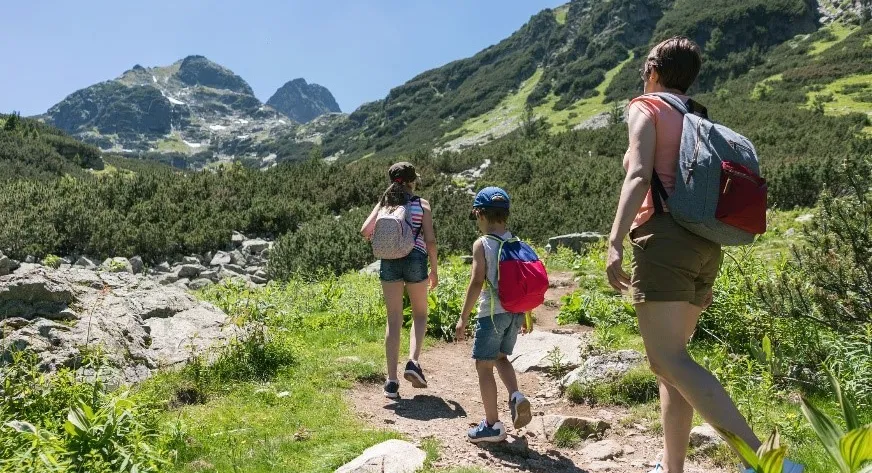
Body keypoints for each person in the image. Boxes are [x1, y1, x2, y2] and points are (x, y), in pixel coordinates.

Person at [605, 37, 804, 473]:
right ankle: (672, 466)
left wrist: (614, 240)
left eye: (644, 69)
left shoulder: (647, 106)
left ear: (653, 71)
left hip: (664, 238)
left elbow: (639, 173)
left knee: (667, 359)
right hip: (704, 243)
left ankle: (766, 461)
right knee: (672, 367)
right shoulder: (695, 115)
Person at [454, 187, 532, 443]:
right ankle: (516, 396)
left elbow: (477, 281)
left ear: (480, 214)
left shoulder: (483, 244)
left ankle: (492, 425)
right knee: (501, 357)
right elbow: (525, 283)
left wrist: (463, 317)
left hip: (492, 314)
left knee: (483, 366)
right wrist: (526, 315)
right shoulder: (517, 242)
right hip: (515, 313)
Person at [361, 162, 438, 399]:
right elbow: (431, 240)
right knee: (420, 314)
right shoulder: (421, 204)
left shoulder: (385, 204)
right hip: (415, 259)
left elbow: (365, 230)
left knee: (393, 319)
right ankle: (413, 362)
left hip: (390, 261)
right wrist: (434, 269)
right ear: (413, 181)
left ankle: (391, 382)